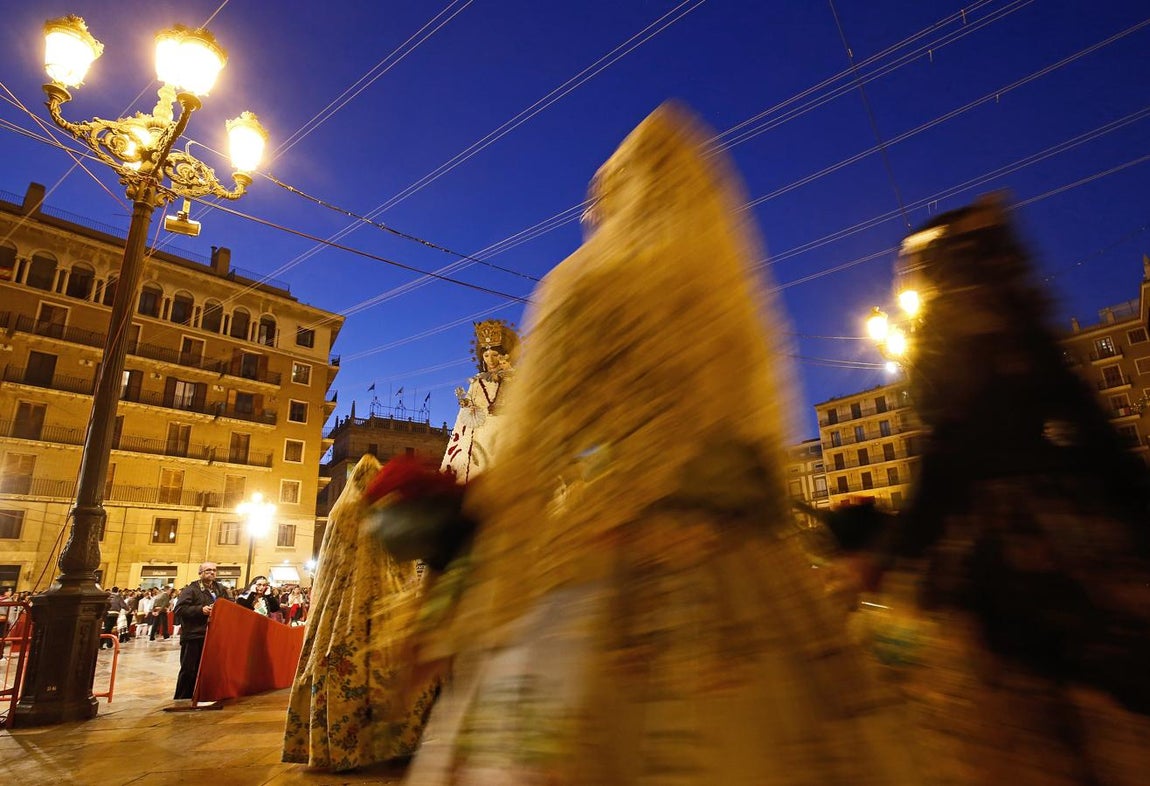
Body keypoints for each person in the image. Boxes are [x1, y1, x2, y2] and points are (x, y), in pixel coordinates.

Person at [406, 103, 921, 785]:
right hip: (747, 583)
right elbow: (763, 464)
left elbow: (527, 469)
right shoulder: (724, 313)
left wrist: (457, 607)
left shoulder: (580, 287)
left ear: (613, 193)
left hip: (609, 573)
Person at [282, 454, 442, 772]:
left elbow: (330, 564)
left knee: (338, 664)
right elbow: (402, 555)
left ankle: (340, 749)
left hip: (339, 607)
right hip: (381, 597)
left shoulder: (340, 512)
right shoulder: (381, 509)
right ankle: (397, 743)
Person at [440, 319, 519, 482]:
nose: (491, 360)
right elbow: (467, 414)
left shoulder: (514, 379)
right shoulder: (477, 382)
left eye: (495, 355)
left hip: (505, 431)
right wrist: (467, 405)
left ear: (504, 355)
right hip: (480, 434)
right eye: (486, 355)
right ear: (482, 357)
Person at [173, 562, 233, 700]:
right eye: (208, 570)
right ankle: (183, 698)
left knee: (211, 669)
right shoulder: (191, 589)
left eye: (214, 570)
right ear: (200, 573)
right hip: (194, 635)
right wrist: (201, 610)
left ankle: (206, 696)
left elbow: (229, 604)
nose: (212, 572)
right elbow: (179, 609)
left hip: (213, 635)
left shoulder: (220, 589)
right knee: (189, 669)